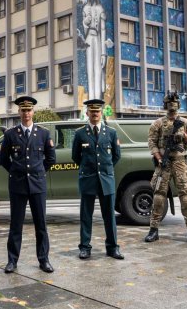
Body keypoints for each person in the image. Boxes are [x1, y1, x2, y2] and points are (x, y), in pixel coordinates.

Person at [0, 96, 56, 273]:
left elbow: (51, 159)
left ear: (33, 112)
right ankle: (12, 260)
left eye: (29, 110)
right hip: (18, 186)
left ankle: (44, 260)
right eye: (23, 110)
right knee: (16, 225)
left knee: (41, 225)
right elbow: (3, 159)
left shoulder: (43, 133)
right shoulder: (10, 134)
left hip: (37, 185)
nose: (26, 113)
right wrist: (17, 171)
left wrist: (38, 172)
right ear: (19, 112)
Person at [145, 91, 187, 245]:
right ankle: (153, 230)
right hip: (163, 163)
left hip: (180, 162)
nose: (172, 107)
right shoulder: (157, 123)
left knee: (186, 197)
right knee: (158, 195)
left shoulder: (186, 123)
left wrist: (184, 136)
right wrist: (158, 157)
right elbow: (151, 142)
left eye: (174, 104)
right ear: (165, 106)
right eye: (170, 104)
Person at [72, 99, 123, 260]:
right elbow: (75, 157)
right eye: (92, 111)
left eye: (97, 111)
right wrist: (90, 170)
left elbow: (116, 156)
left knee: (109, 215)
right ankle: (85, 247)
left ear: (101, 113)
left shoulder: (111, 132)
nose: (95, 114)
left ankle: (113, 247)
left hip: (106, 180)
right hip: (88, 179)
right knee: (86, 215)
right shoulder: (80, 133)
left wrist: (104, 171)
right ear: (87, 113)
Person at [82, 0, 106, 100]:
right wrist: (85, 23)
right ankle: (91, 101)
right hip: (88, 39)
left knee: (98, 70)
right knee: (89, 70)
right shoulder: (85, 8)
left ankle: (97, 101)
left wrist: (103, 53)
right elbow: (84, 28)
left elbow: (103, 31)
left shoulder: (100, 8)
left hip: (97, 39)